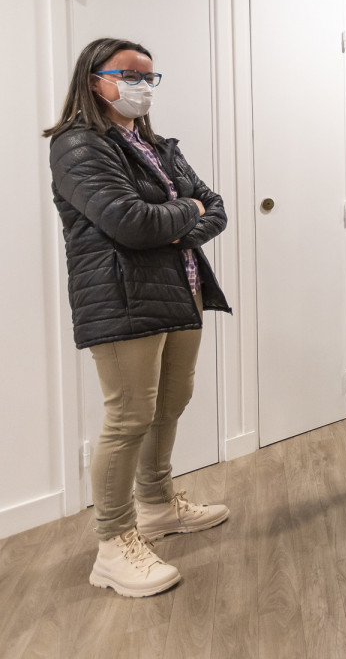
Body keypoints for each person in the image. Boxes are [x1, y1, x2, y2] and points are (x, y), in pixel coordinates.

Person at [46, 37, 231, 597]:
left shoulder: (154, 145)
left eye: (150, 78)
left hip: (182, 290)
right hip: (122, 295)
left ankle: (156, 505)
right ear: (95, 79)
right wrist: (183, 214)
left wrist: (176, 219)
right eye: (130, 75)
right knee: (128, 417)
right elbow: (129, 223)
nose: (142, 87)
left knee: (171, 403)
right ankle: (112, 544)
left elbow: (214, 206)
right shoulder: (79, 145)